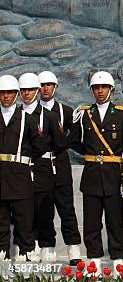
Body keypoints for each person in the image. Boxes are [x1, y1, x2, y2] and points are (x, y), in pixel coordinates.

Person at [69, 71, 123, 276]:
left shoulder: (122, 113)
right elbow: (75, 142)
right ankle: (94, 262)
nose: (100, 91)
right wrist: (75, 127)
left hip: (114, 175)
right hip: (92, 176)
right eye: (96, 88)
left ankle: (118, 263)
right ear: (92, 90)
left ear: (111, 89)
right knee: (92, 222)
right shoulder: (85, 113)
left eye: (104, 87)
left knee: (115, 221)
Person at [37, 70, 82, 265]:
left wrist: (62, 143)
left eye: (49, 85)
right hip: (41, 164)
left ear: (55, 87)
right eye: (42, 85)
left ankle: (73, 248)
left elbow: (76, 132)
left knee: (66, 208)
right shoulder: (31, 111)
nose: (45, 88)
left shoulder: (65, 111)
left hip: (61, 163)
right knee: (43, 208)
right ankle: (47, 246)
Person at [0, 75, 43, 260]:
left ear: (16, 95)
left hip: (20, 178)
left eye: (10, 92)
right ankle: (2, 265)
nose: (6, 96)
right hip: (0, 178)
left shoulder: (28, 119)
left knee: (24, 224)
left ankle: (27, 265)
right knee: (1, 227)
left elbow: (39, 147)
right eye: (2, 93)